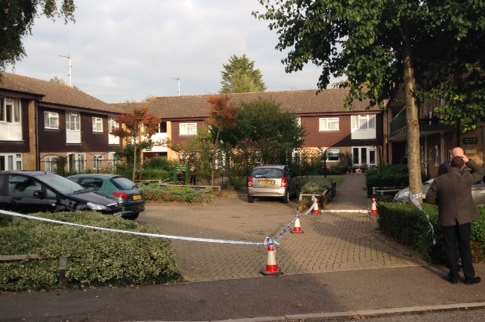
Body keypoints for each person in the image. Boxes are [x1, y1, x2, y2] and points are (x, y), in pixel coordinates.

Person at [426, 154, 484, 284]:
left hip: (447, 218)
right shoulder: (467, 178)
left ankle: (453, 276)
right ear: (462, 165)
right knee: (465, 247)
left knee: (450, 247)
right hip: (464, 218)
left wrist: (441, 203)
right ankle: (469, 277)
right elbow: (481, 172)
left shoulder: (439, 180)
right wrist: (469, 161)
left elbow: (429, 198)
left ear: (450, 165)